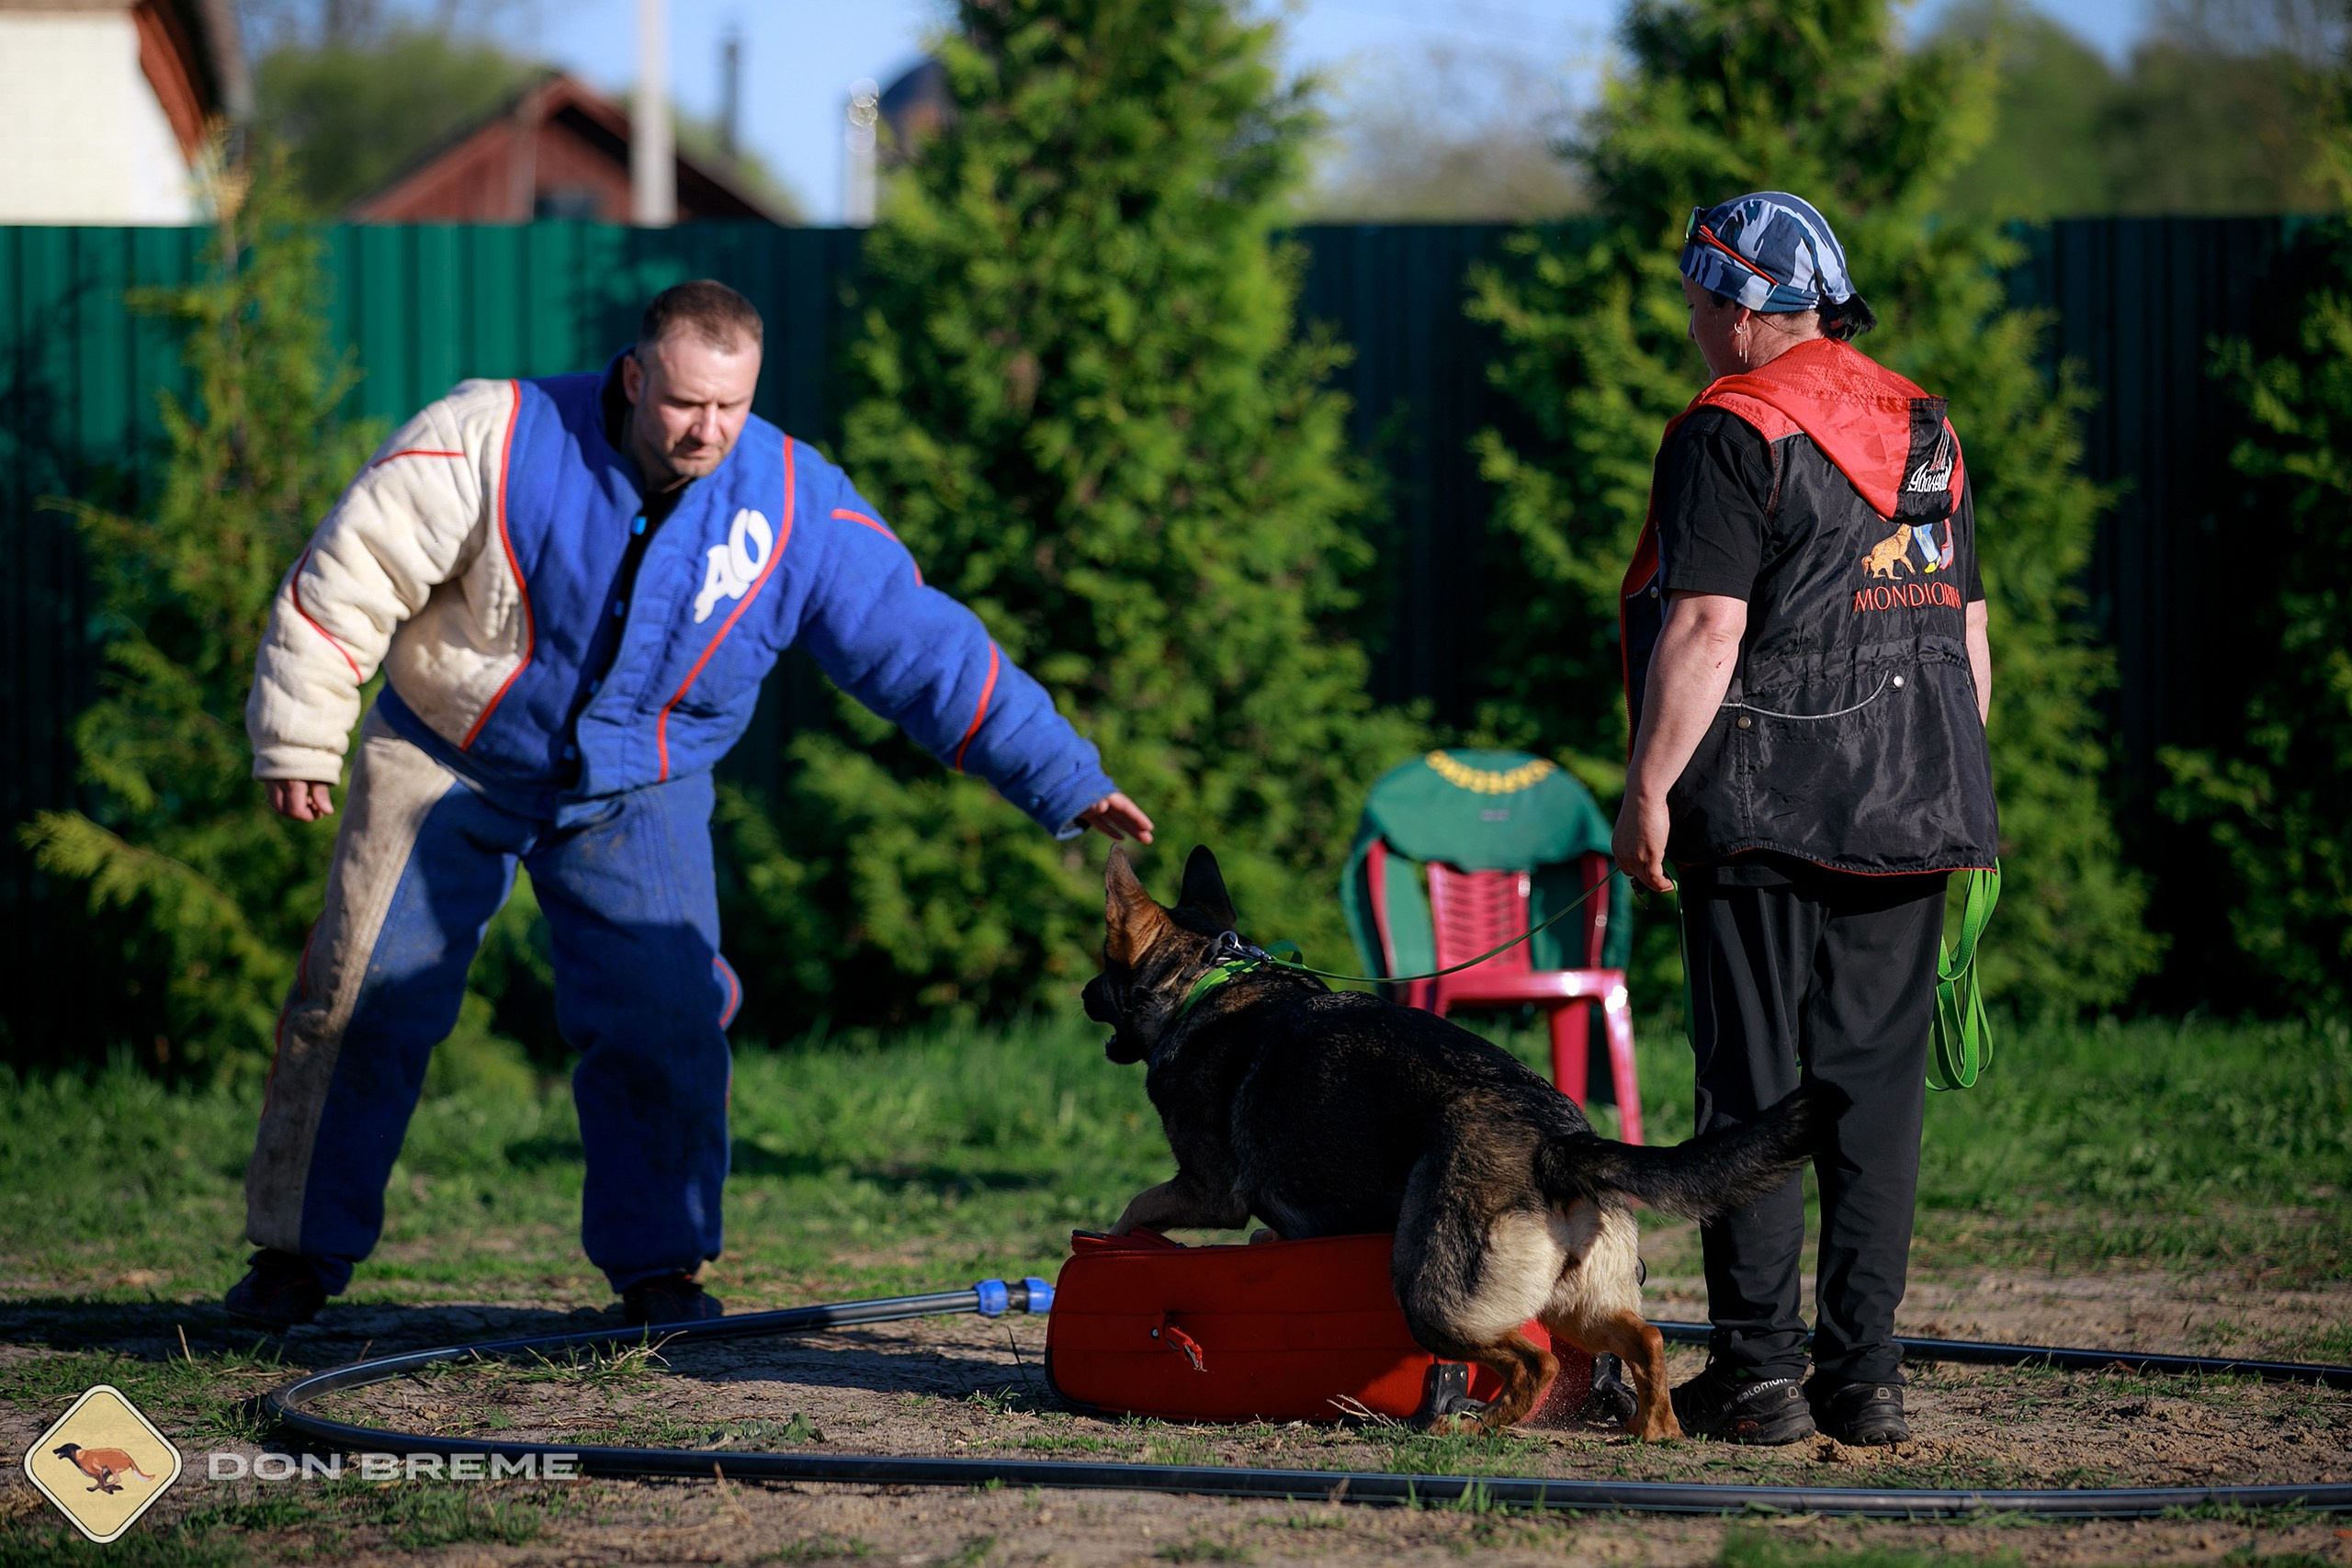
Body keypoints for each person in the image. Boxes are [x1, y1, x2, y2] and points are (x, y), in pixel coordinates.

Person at [228, 280, 1154, 1330]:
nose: (707, 431)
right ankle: (294, 1261)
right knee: (359, 999)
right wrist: (302, 733)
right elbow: (350, 570)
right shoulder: (491, 434)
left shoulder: (796, 504)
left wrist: (1064, 775)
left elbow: (918, 643)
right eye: (682, 405)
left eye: (731, 408)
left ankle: (661, 1275)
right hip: (451, 751)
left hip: (640, 783)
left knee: (669, 1020)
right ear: (633, 378)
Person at [1611, 194, 1996, 1446]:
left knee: (1755, 1089)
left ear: (1741, 305)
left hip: (1768, 810)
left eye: (1696, 301)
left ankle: (1765, 1374)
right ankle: (1866, 1376)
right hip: (1918, 805)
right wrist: (1953, 781)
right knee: (1874, 1097)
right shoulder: (1928, 426)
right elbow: (1966, 637)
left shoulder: (1733, 431)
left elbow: (1707, 625)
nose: (1690, 323)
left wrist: (1649, 786)